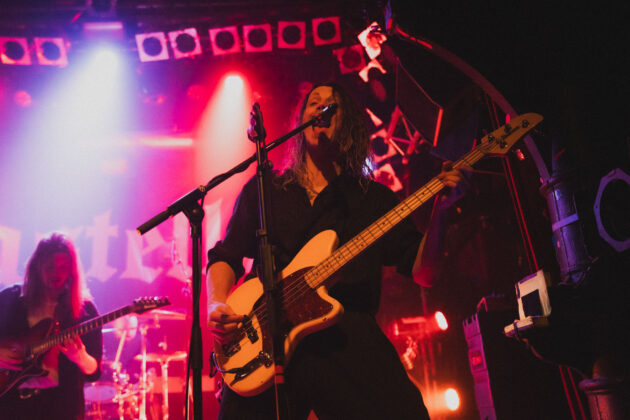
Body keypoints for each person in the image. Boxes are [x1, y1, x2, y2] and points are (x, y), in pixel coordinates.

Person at [206, 82, 469, 419]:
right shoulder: (266, 189)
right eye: (314, 103)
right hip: (266, 336)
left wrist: (441, 213)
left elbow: (424, 273)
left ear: (349, 125)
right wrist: (217, 302)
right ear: (300, 122)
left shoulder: (372, 199)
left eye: (332, 105)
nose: (321, 108)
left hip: (346, 334)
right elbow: (225, 256)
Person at [0, 233, 103, 420]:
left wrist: (81, 358)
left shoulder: (84, 309)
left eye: (63, 267)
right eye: (50, 267)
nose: (56, 273)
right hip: (11, 407)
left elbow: (94, 372)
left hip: (62, 409)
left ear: (71, 270)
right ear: (37, 266)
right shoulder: (9, 299)